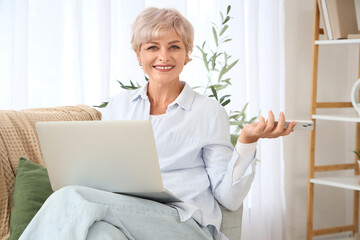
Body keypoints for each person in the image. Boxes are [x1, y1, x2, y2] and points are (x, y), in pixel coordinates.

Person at [20, 7, 295, 240]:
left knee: (70, 197)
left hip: (185, 224)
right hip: (126, 214)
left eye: (174, 47)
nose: (164, 56)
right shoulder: (120, 106)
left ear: (187, 54)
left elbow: (229, 198)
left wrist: (247, 142)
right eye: (153, 47)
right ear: (139, 56)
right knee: (99, 234)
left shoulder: (208, 112)